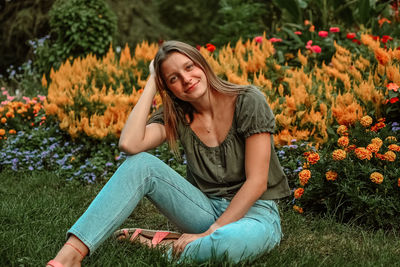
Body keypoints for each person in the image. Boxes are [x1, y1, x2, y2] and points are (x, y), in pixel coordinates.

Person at [46, 40, 290, 267]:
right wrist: (152, 82)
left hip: (255, 214)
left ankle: (166, 245)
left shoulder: (248, 101)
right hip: (204, 209)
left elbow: (257, 182)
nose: (186, 79)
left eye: (189, 67)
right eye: (173, 78)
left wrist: (211, 231)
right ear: (168, 87)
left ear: (202, 64)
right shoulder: (177, 116)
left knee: (229, 245)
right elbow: (130, 144)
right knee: (140, 164)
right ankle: (71, 253)